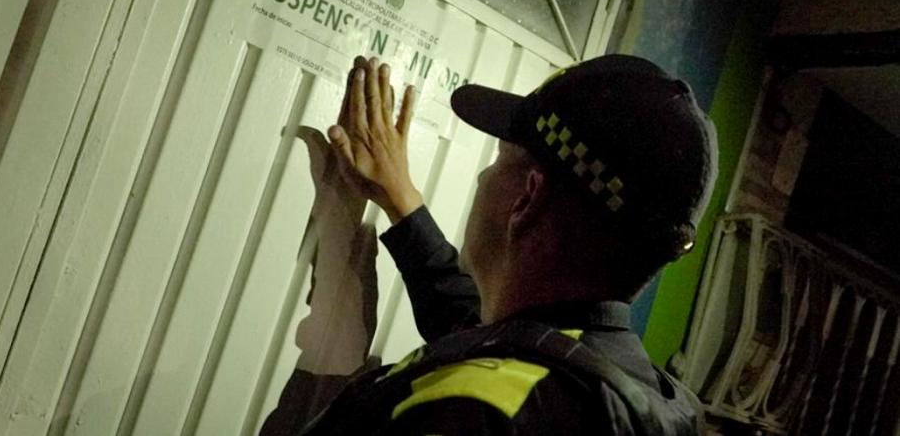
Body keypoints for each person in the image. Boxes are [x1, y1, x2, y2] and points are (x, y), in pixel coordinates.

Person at [301, 53, 718, 435]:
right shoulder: (648, 400)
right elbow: (480, 329)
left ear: (527, 198)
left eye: (498, 160)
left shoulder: (474, 411)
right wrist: (401, 202)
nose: (483, 178)